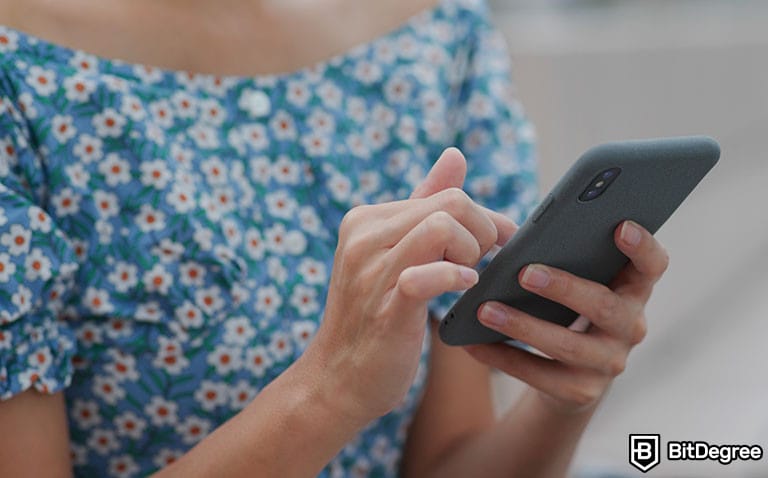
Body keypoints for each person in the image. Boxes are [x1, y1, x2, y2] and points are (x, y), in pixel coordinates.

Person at [0, 0, 669, 476]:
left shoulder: (437, 34)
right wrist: (332, 389)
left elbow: (446, 461)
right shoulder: (19, 67)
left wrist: (561, 398)